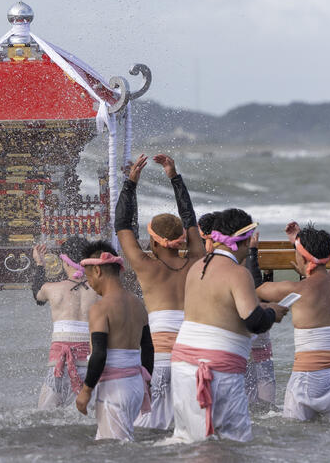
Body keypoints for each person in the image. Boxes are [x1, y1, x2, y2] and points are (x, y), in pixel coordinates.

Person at [172, 209, 286, 442]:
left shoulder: (197, 267)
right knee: (233, 442)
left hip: (182, 365)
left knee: (189, 439)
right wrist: (273, 312)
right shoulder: (237, 273)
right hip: (217, 370)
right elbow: (254, 322)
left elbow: (218, 311)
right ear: (242, 241)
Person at [115, 153, 205, 430]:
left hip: (160, 359)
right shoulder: (195, 260)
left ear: (154, 241)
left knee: (146, 430)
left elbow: (121, 225)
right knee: (186, 429)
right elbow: (191, 220)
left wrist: (131, 184)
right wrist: (174, 176)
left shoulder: (145, 266)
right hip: (191, 357)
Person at [257, 222, 330, 422]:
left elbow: (257, 289)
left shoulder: (297, 289)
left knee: (294, 433)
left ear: (302, 257)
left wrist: (251, 252)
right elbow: (316, 274)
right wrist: (299, 242)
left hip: (310, 376)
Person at [74, 241, 153, 442]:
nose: (89, 283)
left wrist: (86, 391)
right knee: (109, 441)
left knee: (114, 448)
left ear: (98, 271)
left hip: (114, 388)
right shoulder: (138, 304)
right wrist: (147, 383)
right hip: (135, 385)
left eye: (88, 276)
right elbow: (148, 349)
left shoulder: (100, 309)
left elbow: (100, 354)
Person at [31, 236, 100, 409]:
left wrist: (40, 264)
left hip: (58, 367)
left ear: (65, 262)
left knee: (44, 417)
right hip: (89, 365)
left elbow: (37, 296)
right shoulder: (100, 291)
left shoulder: (52, 289)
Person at [243, 231, 277, 407]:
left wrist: (252, 253)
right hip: (257, 349)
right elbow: (258, 291)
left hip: (245, 349)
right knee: (266, 406)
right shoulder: (238, 277)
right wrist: (253, 252)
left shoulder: (229, 270)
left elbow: (259, 291)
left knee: (256, 405)